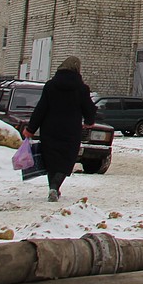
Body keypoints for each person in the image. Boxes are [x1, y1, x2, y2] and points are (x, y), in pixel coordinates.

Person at [24, 55, 97, 202]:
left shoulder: (51, 86)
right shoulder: (81, 89)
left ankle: (53, 188)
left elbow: (41, 109)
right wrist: (89, 121)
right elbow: (89, 108)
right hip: (71, 131)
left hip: (49, 130)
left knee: (51, 160)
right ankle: (55, 187)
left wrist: (31, 129)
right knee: (66, 160)